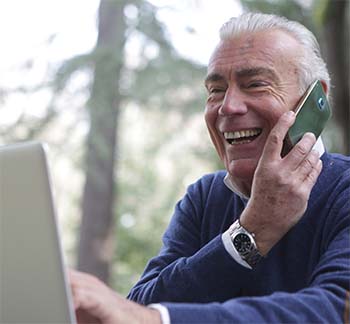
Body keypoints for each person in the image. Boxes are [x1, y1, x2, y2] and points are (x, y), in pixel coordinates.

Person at [69, 12, 350, 323]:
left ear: (316, 100)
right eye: (216, 91)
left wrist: (160, 320)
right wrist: (250, 233)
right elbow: (138, 306)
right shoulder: (204, 198)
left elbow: (335, 310)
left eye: (255, 84)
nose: (228, 107)